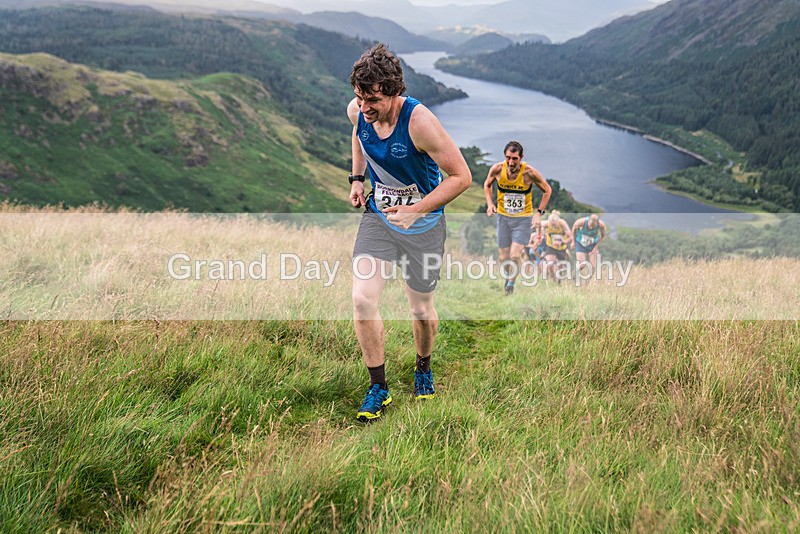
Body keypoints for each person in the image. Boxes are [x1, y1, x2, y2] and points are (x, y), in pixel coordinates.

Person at [347, 43, 472, 422]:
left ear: (393, 92)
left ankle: (423, 367)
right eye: (360, 98)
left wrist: (415, 210)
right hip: (379, 219)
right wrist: (357, 178)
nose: (364, 108)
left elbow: (461, 177)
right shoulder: (358, 111)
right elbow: (358, 134)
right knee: (362, 299)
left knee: (420, 309)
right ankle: (378, 387)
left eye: (373, 100)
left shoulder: (419, 122)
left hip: (424, 227)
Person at [483, 141, 551, 295]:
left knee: (514, 255)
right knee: (503, 258)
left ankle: (511, 285)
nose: (511, 162)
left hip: (523, 219)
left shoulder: (529, 173)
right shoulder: (497, 169)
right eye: (508, 158)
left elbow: (547, 190)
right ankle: (509, 277)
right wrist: (490, 204)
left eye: (514, 158)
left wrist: (538, 213)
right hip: (503, 218)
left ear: (521, 158)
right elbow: (487, 184)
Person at [571, 214, 607, 284]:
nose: (591, 227)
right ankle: (575, 275)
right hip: (581, 244)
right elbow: (574, 229)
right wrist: (573, 241)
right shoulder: (581, 222)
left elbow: (603, 236)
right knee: (582, 265)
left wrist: (595, 248)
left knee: (594, 266)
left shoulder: (601, 225)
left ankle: (587, 282)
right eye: (590, 225)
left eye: (593, 226)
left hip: (592, 245)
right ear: (588, 220)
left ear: (597, 222)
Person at [540, 210, 573, 283]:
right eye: (551, 225)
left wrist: (562, 242)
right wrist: (541, 233)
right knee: (550, 264)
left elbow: (571, 238)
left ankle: (559, 282)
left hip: (561, 247)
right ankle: (553, 279)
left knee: (560, 266)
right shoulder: (546, 224)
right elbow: (539, 224)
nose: (553, 226)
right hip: (551, 246)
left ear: (558, 222)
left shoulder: (563, 224)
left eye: (554, 225)